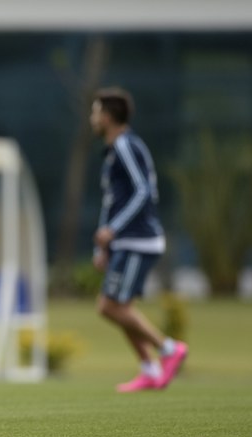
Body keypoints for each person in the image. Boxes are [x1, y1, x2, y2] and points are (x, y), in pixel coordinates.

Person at [89, 87, 188, 393]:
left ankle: (169, 349)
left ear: (106, 117)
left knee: (109, 306)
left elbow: (144, 191)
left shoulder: (125, 146)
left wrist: (114, 230)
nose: (91, 118)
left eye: (94, 112)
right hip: (124, 241)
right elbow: (112, 201)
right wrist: (102, 245)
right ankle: (149, 369)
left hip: (138, 240)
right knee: (119, 308)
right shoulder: (113, 150)